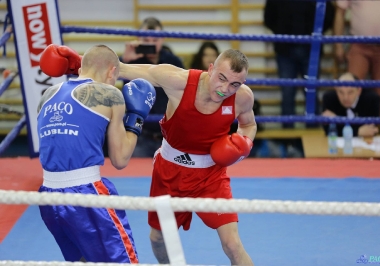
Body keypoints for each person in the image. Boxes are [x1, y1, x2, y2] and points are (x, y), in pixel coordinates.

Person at [42, 46, 256, 265]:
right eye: (221, 78)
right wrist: (81, 62)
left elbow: (249, 125)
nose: (224, 88)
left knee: (232, 244)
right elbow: (126, 69)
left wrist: (243, 145)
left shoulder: (242, 98)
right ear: (210, 69)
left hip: (211, 176)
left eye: (234, 84)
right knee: (158, 239)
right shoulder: (179, 82)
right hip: (170, 173)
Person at [37, 44, 156, 263]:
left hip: (47, 196)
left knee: (83, 261)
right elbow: (120, 159)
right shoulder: (109, 94)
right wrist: (136, 118)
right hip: (87, 194)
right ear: (112, 71)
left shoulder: (47, 94)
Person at [263, 0, 335, 128]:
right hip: (285, 49)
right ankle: (288, 140)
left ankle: (312, 137)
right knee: (287, 92)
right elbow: (269, 17)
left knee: (311, 92)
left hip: (311, 49)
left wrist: (315, 32)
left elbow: (328, 15)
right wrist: (282, 31)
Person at [120, 17, 184, 157]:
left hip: (170, 137)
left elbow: (185, 94)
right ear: (139, 39)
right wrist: (124, 62)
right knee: (132, 176)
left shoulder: (173, 61)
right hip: (140, 135)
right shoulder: (130, 61)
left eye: (154, 40)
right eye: (146, 41)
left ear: (162, 39)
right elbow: (111, 80)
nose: (151, 44)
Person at [333, 0, 380, 117]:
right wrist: (338, 45)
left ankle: (378, 132)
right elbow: (339, 12)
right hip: (359, 45)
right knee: (351, 89)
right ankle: (352, 129)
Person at [322, 72, 380, 137]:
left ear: (359, 91)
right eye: (341, 92)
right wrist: (357, 131)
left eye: (350, 92)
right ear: (336, 89)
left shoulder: (371, 100)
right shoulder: (329, 99)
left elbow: (370, 130)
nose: (345, 97)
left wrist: (338, 120)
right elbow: (328, 130)